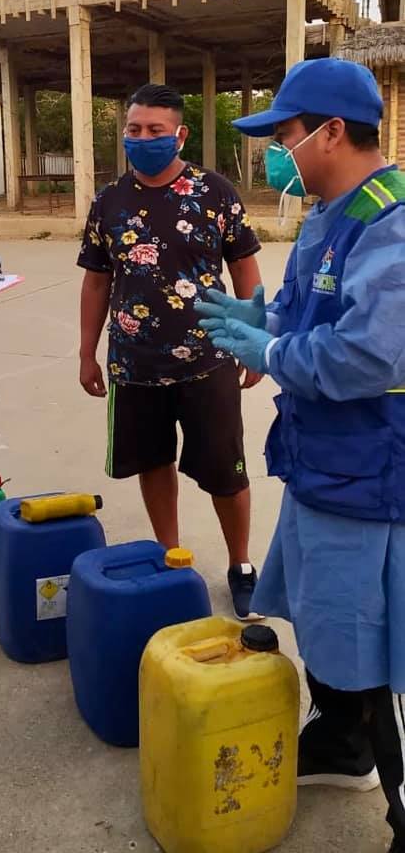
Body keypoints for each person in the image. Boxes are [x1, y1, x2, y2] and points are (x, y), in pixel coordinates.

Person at [197, 57, 405, 853]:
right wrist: (268, 320)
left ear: (331, 132)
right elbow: (307, 311)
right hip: (324, 459)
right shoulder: (328, 211)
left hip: (372, 470)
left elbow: (369, 354)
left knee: (367, 636)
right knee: (322, 615)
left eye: (284, 136)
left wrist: (274, 350)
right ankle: (341, 740)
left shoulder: (389, 220)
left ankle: (393, 796)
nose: (276, 154)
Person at [77, 82, 264, 620]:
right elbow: (96, 281)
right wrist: (86, 352)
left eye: (155, 130)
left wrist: (252, 339)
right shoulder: (108, 201)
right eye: (134, 129)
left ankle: (241, 565)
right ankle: (170, 556)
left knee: (226, 470)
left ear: (179, 135)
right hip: (135, 364)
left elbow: (244, 266)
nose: (143, 139)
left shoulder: (215, 193)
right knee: (153, 462)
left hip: (209, 359)